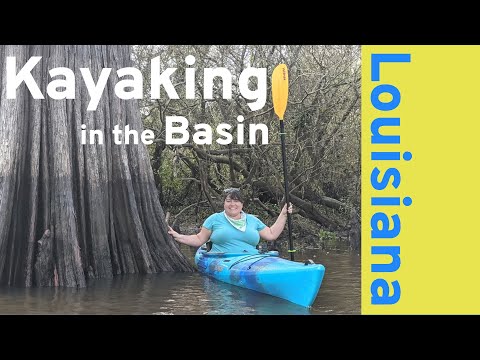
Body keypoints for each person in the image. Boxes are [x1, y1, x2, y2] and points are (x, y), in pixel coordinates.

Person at [168, 188, 293, 254]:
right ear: (224, 203)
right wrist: (178, 236)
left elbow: (271, 235)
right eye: (228, 201)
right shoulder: (214, 219)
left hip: (251, 259)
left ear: (242, 204)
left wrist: (283, 214)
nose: (232, 204)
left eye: (236, 201)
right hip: (223, 260)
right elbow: (199, 239)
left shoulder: (253, 220)